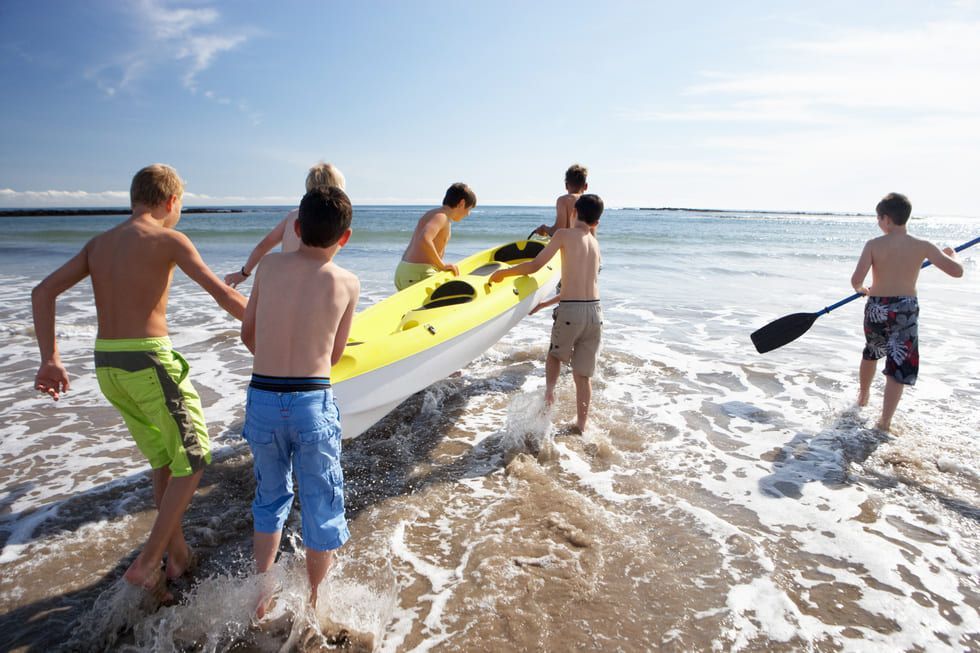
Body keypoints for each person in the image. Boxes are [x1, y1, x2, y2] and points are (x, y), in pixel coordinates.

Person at [31, 164, 247, 602]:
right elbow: (221, 294)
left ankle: (178, 555)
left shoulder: (99, 244)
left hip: (108, 367)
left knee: (166, 459)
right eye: (180, 206)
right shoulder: (169, 238)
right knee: (196, 455)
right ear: (171, 202)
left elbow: (43, 292)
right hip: (149, 363)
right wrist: (273, 324)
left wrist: (50, 359)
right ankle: (149, 563)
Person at [240, 186, 360, 618]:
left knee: (269, 498)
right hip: (312, 400)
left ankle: (261, 597)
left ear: (296, 227)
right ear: (344, 238)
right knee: (321, 502)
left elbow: (247, 335)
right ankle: (314, 606)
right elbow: (335, 355)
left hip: (263, 397)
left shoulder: (268, 268)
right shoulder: (347, 282)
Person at [850, 192, 963, 431]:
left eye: (879, 218)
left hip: (877, 307)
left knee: (871, 351)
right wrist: (952, 255)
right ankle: (884, 421)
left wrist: (862, 289)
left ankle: (863, 397)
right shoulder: (922, 246)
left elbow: (856, 280)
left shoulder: (873, 245)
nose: (878, 223)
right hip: (905, 309)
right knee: (898, 362)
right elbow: (956, 272)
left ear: (887, 219)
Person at [491, 194, 604, 433]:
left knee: (554, 356)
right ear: (597, 222)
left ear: (573, 213)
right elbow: (582, 291)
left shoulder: (564, 234)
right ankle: (581, 426)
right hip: (595, 313)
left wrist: (505, 273)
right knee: (583, 376)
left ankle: (549, 397)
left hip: (571, 311)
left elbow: (535, 265)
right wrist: (543, 305)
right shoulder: (595, 244)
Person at [224, 162, 346, 287]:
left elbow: (263, 246)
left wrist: (243, 273)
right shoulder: (335, 222)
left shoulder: (293, 215)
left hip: (282, 281)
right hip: (310, 286)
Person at [394, 182, 477, 290]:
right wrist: (441, 265)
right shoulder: (441, 217)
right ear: (462, 203)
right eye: (469, 209)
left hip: (405, 270)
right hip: (418, 274)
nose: (468, 214)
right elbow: (424, 239)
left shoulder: (432, 213)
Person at [533, 164, 588, 237]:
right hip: (590, 248)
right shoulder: (592, 202)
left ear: (566, 185)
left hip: (572, 247)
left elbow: (558, 230)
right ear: (586, 186)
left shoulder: (564, 200)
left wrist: (544, 228)